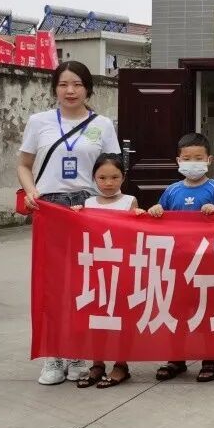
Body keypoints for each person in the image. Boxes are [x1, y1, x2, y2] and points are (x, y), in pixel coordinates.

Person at [18, 60, 121, 386]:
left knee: (82, 284)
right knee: (52, 285)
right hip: (50, 207)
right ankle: (53, 356)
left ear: (88, 88)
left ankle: (76, 352)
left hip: (87, 208)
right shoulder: (39, 122)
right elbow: (24, 164)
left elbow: (112, 169)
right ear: (55, 89)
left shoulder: (102, 125)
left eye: (77, 84)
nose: (70, 90)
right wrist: (31, 191)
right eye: (63, 84)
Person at [147, 133, 214, 383]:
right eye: (187, 158)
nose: (192, 163)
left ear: (209, 160)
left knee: (207, 311)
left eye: (198, 158)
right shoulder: (171, 190)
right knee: (177, 311)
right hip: (178, 262)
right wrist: (156, 210)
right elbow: (159, 219)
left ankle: (211, 359)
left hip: (208, 262)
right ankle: (176, 358)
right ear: (178, 161)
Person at [71, 154, 138, 389]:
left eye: (114, 177)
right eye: (102, 178)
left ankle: (121, 364)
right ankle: (97, 363)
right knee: (96, 317)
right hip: (96, 270)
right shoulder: (88, 204)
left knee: (121, 318)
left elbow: (135, 234)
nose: (108, 183)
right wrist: (74, 215)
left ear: (123, 178)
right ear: (94, 178)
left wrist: (141, 217)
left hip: (121, 269)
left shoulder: (129, 201)